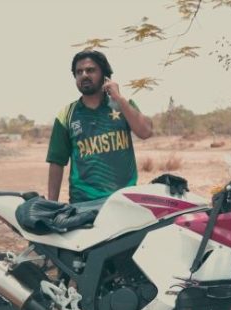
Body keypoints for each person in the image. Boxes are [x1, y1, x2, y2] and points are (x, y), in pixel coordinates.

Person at [46, 50, 153, 203]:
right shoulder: (66, 114)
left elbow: (146, 132)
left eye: (90, 70)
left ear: (104, 75)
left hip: (125, 201)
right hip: (83, 204)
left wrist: (119, 98)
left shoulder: (122, 105)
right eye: (79, 72)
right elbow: (56, 163)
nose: (84, 75)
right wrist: (52, 205)